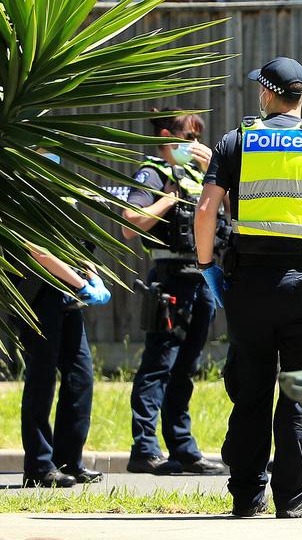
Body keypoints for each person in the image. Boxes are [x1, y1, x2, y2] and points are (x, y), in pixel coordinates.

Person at [195, 56, 302, 518]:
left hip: (247, 285)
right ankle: (294, 500)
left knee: (251, 391)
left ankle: (246, 497)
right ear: (301, 96)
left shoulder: (235, 141)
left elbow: (206, 212)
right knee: (296, 395)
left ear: (266, 94)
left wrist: (208, 265)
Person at [120, 111, 224, 476]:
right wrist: (166, 201)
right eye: (187, 138)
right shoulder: (152, 173)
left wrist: (218, 170)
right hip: (170, 280)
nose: (194, 146)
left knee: (187, 367)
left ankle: (182, 448)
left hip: (202, 279)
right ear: (166, 136)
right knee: (158, 365)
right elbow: (129, 225)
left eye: (199, 138)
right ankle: (144, 448)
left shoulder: (201, 174)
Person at [18, 245, 111, 488]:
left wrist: (94, 278)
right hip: (37, 295)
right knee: (42, 379)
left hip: (69, 294)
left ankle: (69, 461)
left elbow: (77, 248)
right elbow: (38, 251)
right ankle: (38, 467)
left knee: (81, 377)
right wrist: (81, 284)